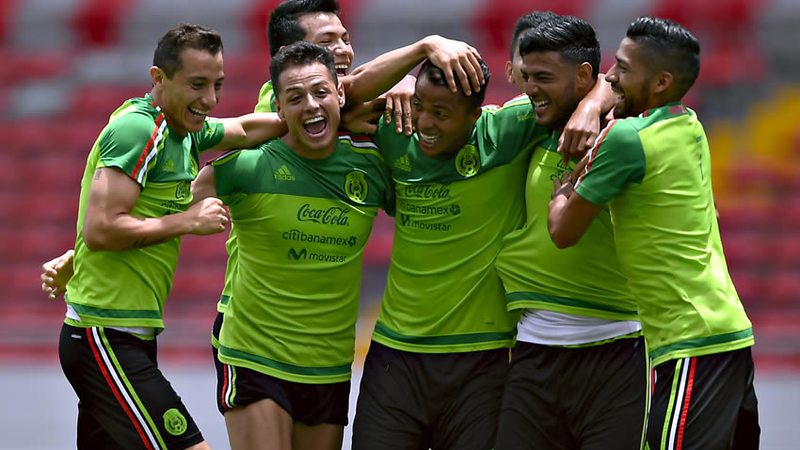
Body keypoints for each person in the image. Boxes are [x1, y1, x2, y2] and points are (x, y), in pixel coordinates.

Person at [350, 26, 612, 444]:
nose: (425, 123)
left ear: (475, 116)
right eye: (420, 106)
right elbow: (338, 96)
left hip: (481, 363)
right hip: (394, 358)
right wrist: (419, 51)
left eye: (441, 112)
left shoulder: (504, 132)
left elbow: (593, 83)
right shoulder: (396, 129)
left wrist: (593, 104)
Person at [56, 23, 287, 450]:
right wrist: (187, 221)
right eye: (197, 84)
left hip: (127, 336)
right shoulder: (138, 129)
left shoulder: (184, 131)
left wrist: (317, 116)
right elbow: (101, 228)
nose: (210, 99)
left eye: (217, 84)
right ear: (158, 78)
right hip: (104, 335)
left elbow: (241, 129)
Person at [547, 16, 759, 449]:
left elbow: (562, 231)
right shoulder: (690, 125)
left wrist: (561, 189)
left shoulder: (627, 140)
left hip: (690, 344)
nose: (609, 76)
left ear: (661, 81)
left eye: (623, 68)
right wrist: (597, 104)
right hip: (729, 334)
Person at [494, 14, 647, 449]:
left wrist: (596, 102)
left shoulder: (625, 129)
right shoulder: (528, 126)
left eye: (543, 77)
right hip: (531, 355)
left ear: (583, 76)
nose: (530, 90)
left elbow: (633, 85)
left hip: (618, 353)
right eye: (526, 77)